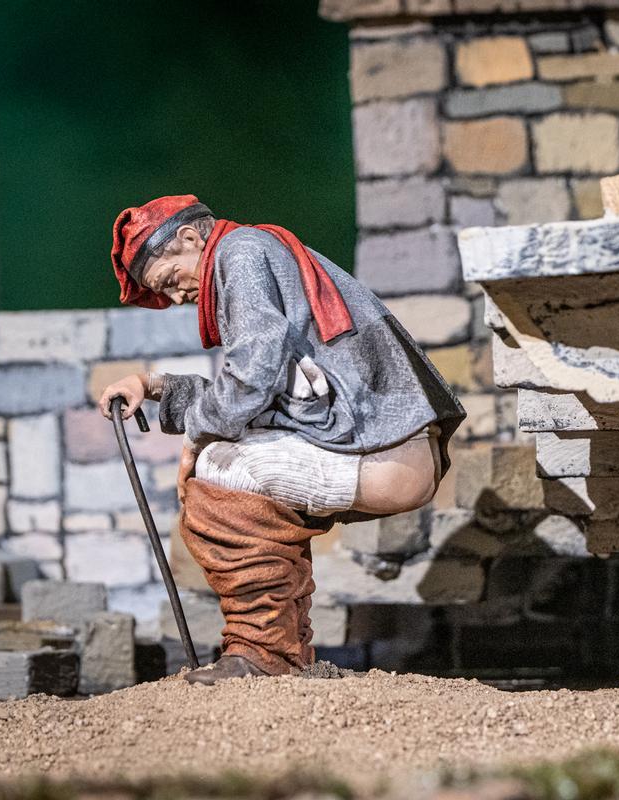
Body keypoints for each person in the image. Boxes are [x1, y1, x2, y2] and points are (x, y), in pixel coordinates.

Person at [100, 195, 465, 684]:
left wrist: (196, 437)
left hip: (383, 452)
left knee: (218, 474)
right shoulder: (255, 252)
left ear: (190, 239)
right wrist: (151, 386)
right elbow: (269, 394)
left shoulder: (241, 253)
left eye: (169, 281)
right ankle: (285, 656)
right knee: (229, 469)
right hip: (385, 448)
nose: (176, 298)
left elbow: (252, 380)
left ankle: (261, 654)